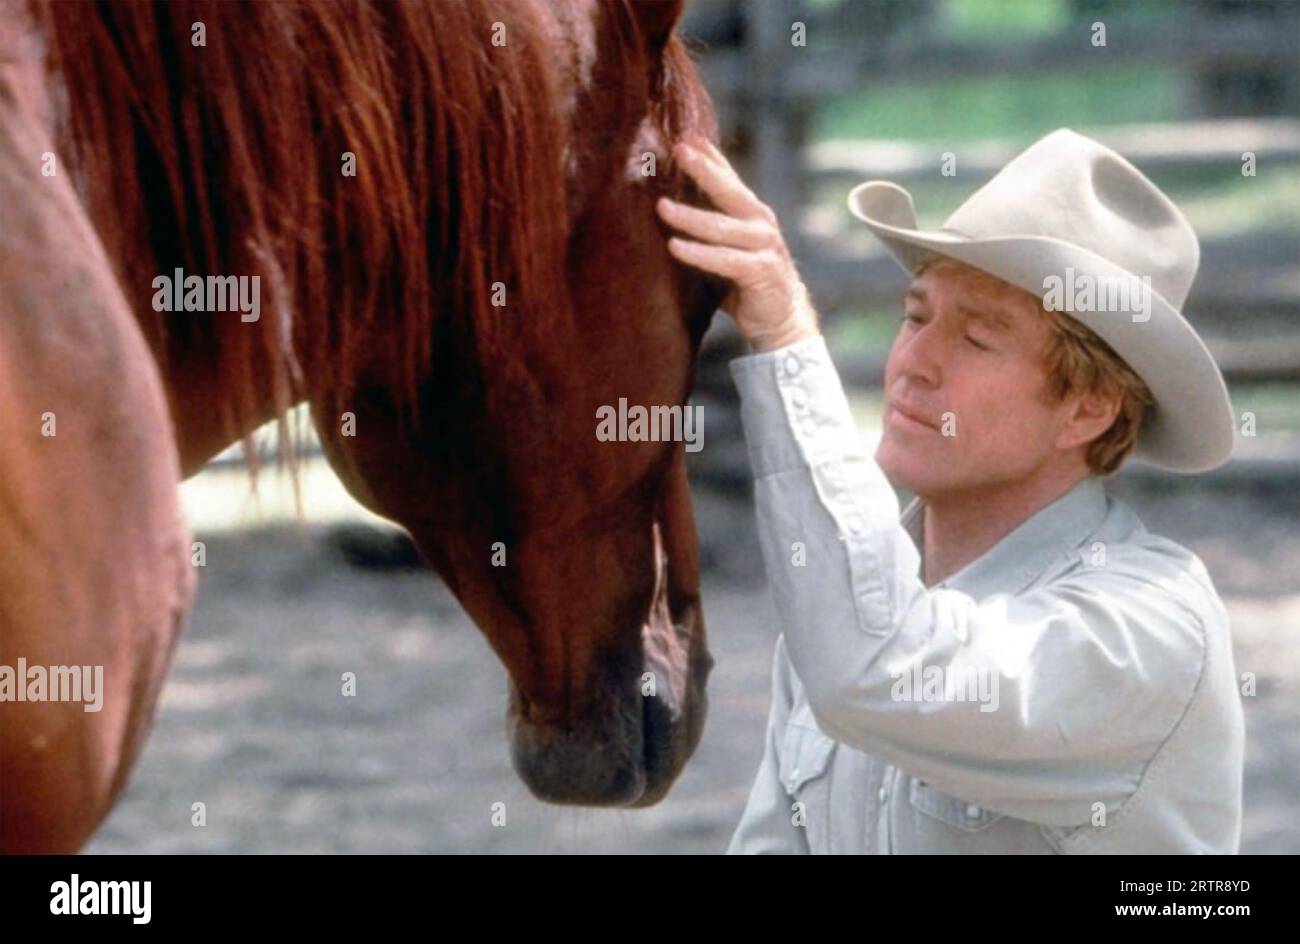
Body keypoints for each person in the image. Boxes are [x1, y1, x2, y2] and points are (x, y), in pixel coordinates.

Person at [656, 128, 1244, 854]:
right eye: (916, 316)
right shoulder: (845, 605)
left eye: (977, 339)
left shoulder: (1149, 629)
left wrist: (782, 333)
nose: (914, 364)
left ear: (1088, 408)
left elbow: (872, 669)